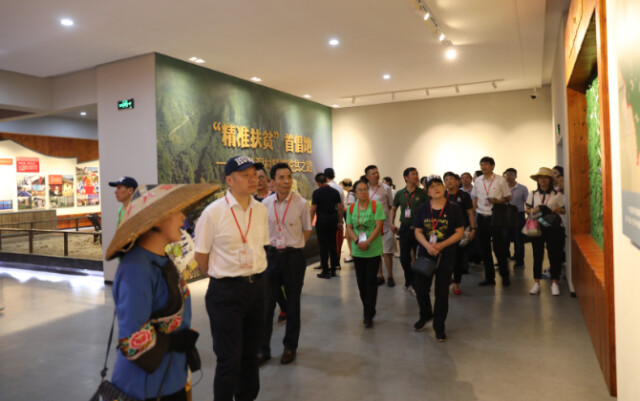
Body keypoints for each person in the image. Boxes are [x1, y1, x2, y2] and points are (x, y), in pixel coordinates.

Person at [105, 183, 217, 401]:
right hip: (145, 387)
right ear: (156, 220)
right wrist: (174, 342)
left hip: (171, 378)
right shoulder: (136, 269)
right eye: (177, 211)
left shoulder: (160, 259)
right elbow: (132, 339)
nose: (183, 217)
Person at [194, 156, 270, 401]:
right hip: (226, 292)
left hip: (257, 288)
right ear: (229, 179)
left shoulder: (260, 209)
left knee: (251, 354)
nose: (253, 179)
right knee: (229, 358)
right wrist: (223, 277)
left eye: (255, 174)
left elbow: (262, 246)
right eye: (246, 175)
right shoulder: (213, 213)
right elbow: (201, 256)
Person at [259, 163, 312, 365]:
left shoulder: (301, 203)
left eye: (289, 177)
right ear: (273, 181)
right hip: (271, 256)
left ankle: (290, 347)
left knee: (292, 305)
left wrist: (296, 245)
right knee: (267, 305)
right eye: (281, 177)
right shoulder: (265, 204)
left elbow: (307, 229)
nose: (286, 181)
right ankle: (263, 349)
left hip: (293, 258)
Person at [413, 175, 464, 341]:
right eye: (432, 186)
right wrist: (427, 246)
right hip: (426, 254)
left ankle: (439, 326)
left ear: (443, 188)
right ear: (427, 191)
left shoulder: (453, 208)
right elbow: (418, 231)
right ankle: (426, 314)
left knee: (442, 292)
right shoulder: (423, 208)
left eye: (438, 185)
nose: (436, 188)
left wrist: (442, 245)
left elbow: (459, 232)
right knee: (420, 288)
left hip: (446, 255)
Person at [345, 179, 386, 328]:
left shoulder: (376, 206)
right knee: (361, 283)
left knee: (370, 281)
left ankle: (368, 314)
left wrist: (367, 242)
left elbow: (378, 227)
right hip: (358, 251)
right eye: (360, 190)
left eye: (365, 189)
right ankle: (367, 307)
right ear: (355, 193)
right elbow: (349, 228)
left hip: (373, 250)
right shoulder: (351, 208)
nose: (363, 192)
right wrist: (357, 241)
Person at [471, 156, 512, 287]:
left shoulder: (500, 180)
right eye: (481, 165)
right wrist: (472, 212)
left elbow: (508, 197)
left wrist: (497, 201)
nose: (483, 167)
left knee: (499, 249)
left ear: (492, 166)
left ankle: (505, 276)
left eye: (486, 164)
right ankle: (489, 278)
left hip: (495, 217)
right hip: (481, 216)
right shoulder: (478, 181)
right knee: (484, 249)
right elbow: (475, 198)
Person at [526, 167, 566, 296]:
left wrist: (559, 210)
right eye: (540, 177)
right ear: (537, 180)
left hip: (553, 227)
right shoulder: (533, 194)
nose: (542, 180)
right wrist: (533, 211)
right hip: (537, 226)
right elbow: (527, 209)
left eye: (545, 177)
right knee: (537, 254)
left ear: (550, 180)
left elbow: (564, 210)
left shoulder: (557, 195)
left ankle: (554, 282)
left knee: (554, 254)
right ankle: (536, 282)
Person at [390, 167, 428, 295]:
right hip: (404, 229)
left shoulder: (422, 193)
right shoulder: (400, 193)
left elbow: (428, 209)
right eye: (413, 174)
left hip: (419, 230)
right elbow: (393, 209)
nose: (416, 176)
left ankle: (417, 284)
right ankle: (409, 281)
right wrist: (391, 223)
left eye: (417, 174)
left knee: (419, 258)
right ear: (406, 177)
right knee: (404, 258)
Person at [443, 172, 476, 295]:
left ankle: (456, 283)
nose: (449, 181)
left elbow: (470, 213)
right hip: (445, 231)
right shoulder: (443, 195)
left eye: (451, 179)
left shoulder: (464, 195)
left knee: (458, 259)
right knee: (446, 259)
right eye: (446, 179)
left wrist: (473, 228)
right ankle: (448, 279)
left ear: (457, 181)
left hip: (461, 231)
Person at [365, 165, 396, 286]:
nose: (377, 175)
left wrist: (391, 221)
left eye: (377, 172)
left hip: (385, 226)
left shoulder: (386, 188)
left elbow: (391, 206)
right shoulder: (364, 188)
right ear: (367, 176)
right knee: (376, 252)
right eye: (373, 173)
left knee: (387, 252)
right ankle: (379, 275)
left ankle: (390, 275)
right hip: (371, 227)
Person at [310, 173, 344, 279]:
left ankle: (325, 270)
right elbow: (340, 207)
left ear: (318, 183)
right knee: (333, 244)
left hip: (322, 221)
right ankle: (333, 269)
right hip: (333, 220)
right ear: (326, 180)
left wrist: (309, 222)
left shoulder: (316, 192)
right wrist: (340, 221)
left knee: (323, 246)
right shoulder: (335, 192)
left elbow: (313, 208)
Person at [503, 168, 529, 268]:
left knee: (519, 239)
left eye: (511, 174)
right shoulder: (502, 188)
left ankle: (519, 260)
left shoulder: (522, 188)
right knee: (504, 238)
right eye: (507, 174)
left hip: (518, 215)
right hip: (505, 215)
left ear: (516, 176)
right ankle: (505, 258)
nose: (509, 176)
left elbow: (527, 202)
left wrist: (528, 212)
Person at [325, 168, 346, 269]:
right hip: (337, 215)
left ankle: (326, 263)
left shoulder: (325, 187)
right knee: (337, 240)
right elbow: (342, 205)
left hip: (326, 216)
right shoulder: (339, 188)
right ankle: (336, 262)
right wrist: (340, 219)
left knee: (326, 240)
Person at [340, 179, 355, 263]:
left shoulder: (351, 196)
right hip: (350, 219)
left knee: (349, 237)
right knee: (348, 236)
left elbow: (350, 208)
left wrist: (342, 208)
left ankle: (352, 254)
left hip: (350, 219)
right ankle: (352, 254)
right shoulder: (350, 194)